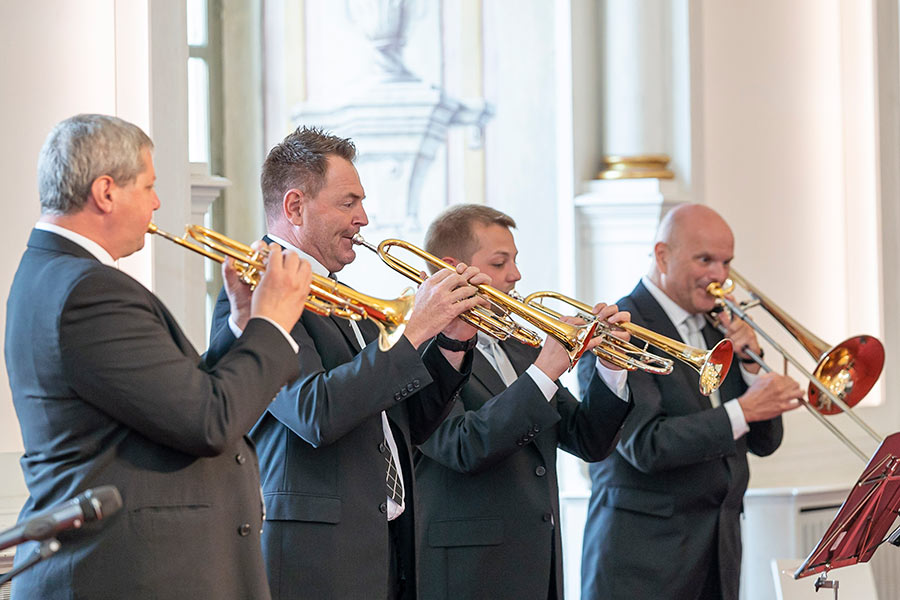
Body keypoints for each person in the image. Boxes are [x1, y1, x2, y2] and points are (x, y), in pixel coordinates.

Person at [5, 114, 312, 599]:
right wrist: (273, 323)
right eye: (148, 186)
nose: (157, 202)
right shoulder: (89, 289)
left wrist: (242, 324)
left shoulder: (58, 273)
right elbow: (209, 420)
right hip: (129, 573)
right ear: (105, 192)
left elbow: (175, 399)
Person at [209, 127, 488, 599]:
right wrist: (416, 329)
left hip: (384, 547)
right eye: (348, 202)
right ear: (295, 207)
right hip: (313, 560)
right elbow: (315, 413)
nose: (363, 218)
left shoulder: (338, 290)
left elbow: (403, 421)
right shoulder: (264, 289)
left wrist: (451, 344)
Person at [578, 203, 804, 600]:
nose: (719, 275)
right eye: (705, 260)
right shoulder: (621, 328)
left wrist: (752, 367)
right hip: (643, 564)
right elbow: (646, 446)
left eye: (726, 262)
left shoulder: (719, 326)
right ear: (663, 255)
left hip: (718, 554)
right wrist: (744, 409)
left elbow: (765, 442)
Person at [412, 204, 634, 600]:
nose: (516, 275)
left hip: (538, 565)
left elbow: (588, 440)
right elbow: (462, 447)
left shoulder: (517, 346)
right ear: (450, 267)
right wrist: (546, 370)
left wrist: (611, 369)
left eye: (514, 260)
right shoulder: (417, 347)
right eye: (500, 263)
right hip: (467, 573)